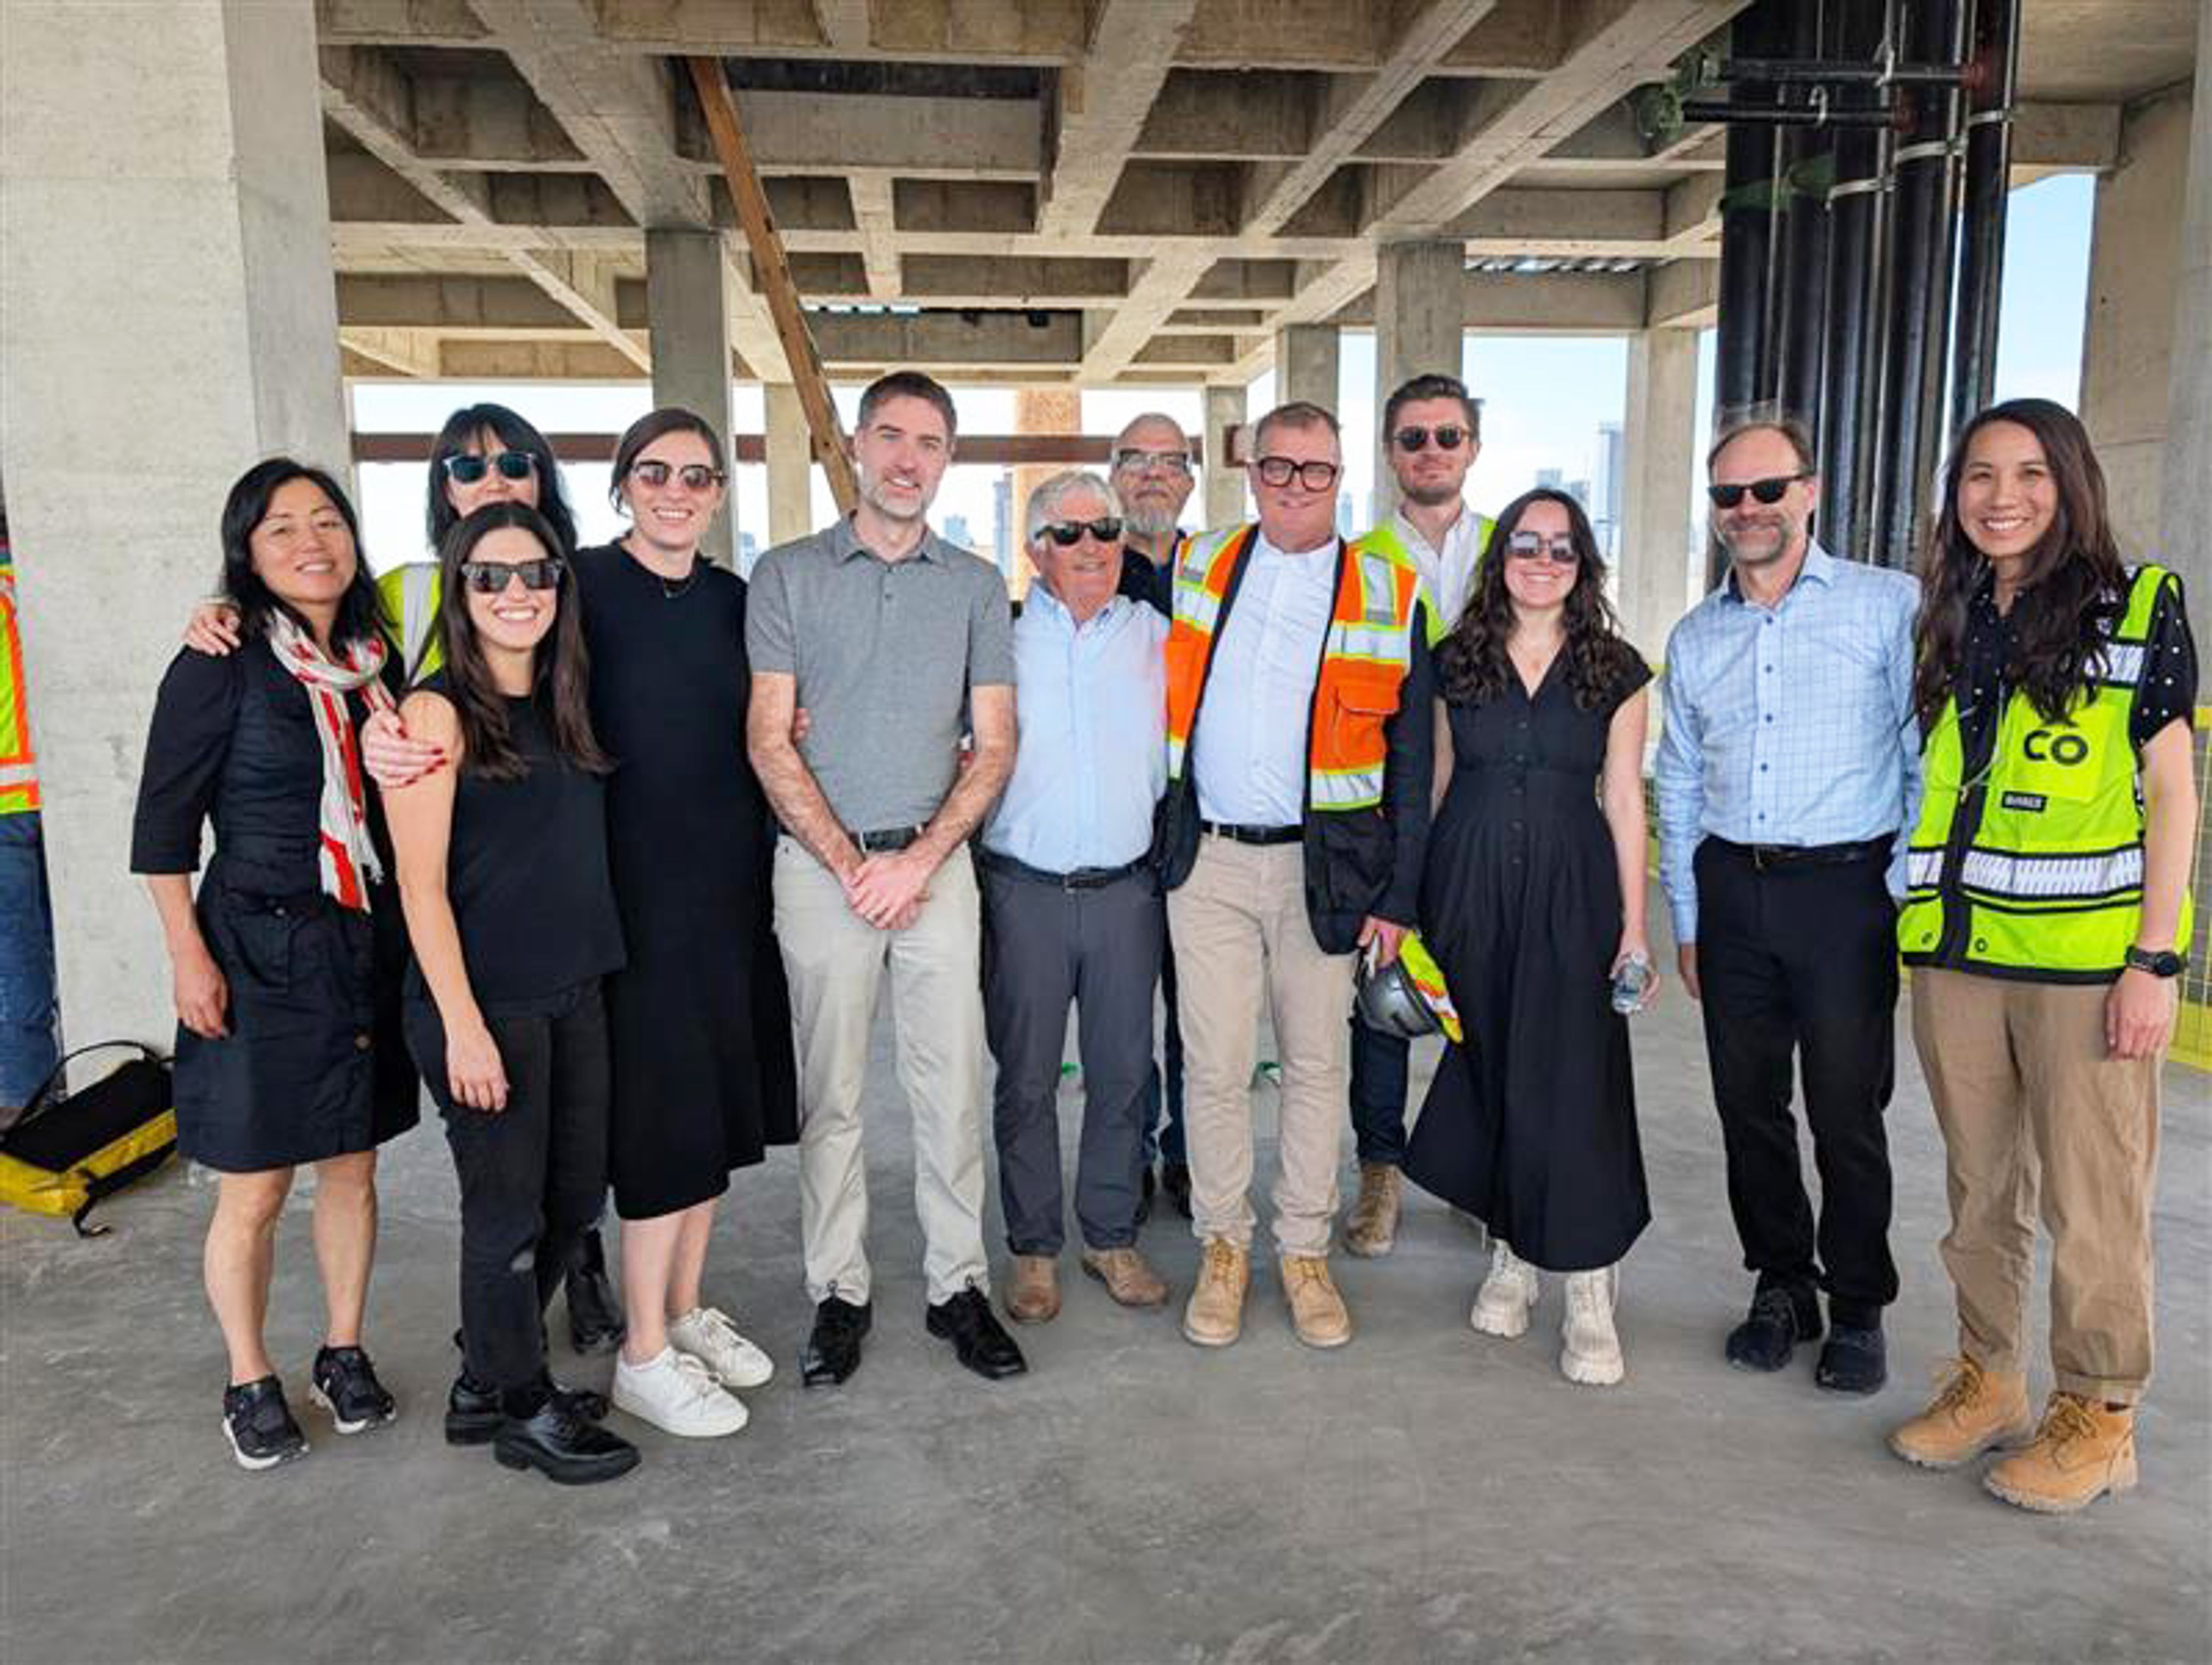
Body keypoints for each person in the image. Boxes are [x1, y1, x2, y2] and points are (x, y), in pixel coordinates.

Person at [375, 408, 798, 1441]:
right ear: (618, 485)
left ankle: (674, 1314)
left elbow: (759, 712)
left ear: (718, 493)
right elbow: (370, 633)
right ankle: (622, 1355)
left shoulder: (724, 607)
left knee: (699, 1136)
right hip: (608, 930)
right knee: (631, 1154)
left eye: (697, 476)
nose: (675, 489)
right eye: (653, 471)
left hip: (712, 910)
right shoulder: (567, 600)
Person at [183, 402, 623, 1356]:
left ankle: (552, 1299)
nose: (492, 482)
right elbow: (306, 618)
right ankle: (499, 1372)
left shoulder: (576, 597)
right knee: (497, 1181)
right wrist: (229, 610)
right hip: (432, 920)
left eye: (513, 462)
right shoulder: (404, 595)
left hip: (547, 927)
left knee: (564, 1180)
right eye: (466, 470)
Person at [1885, 399, 2196, 1513]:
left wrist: (2154, 962)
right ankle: (1991, 1381)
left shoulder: (2139, 609)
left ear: (2070, 486)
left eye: (2027, 474)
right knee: (1980, 1193)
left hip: (2083, 970)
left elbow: (2170, 794)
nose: (2000, 496)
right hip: (1959, 957)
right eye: (1978, 475)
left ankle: (2099, 1416)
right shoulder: (1952, 612)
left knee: (2093, 1197)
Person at [131, 460, 419, 1470]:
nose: (312, 541)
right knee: (253, 1186)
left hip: (355, 942)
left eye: (328, 520)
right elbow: (164, 828)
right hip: (252, 948)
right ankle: (249, 1376)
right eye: (282, 528)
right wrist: (187, 958)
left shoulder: (379, 659)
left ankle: (342, 1350)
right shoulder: (220, 660)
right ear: (247, 552)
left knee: (354, 1164)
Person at [747, 370, 1027, 1388]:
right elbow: (769, 741)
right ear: (856, 448)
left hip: (936, 867)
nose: (910, 460)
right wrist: (851, 863)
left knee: (951, 1088)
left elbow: (993, 744)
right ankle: (840, 1292)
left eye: (932, 443)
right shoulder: (785, 575)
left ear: (949, 460)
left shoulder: (972, 585)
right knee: (834, 1096)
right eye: (891, 437)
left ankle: (958, 1286)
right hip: (823, 870)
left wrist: (915, 860)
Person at [1154, 400, 1434, 1351]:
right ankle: (1224, 1248)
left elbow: (1409, 762)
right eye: (1278, 467)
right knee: (1217, 1068)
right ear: (1250, 468)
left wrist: (1400, 898)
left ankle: (1303, 1251)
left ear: (1341, 477)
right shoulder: (1201, 566)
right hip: (1211, 864)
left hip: (1328, 875)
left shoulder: (1389, 593)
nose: (1295, 486)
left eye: (1315, 470)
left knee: (1317, 1067)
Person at [1655, 414, 1919, 1395]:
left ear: (1809, 491)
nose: (1748, 511)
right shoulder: (1695, 635)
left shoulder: (1887, 607)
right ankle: (1781, 1284)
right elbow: (1676, 784)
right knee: (1747, 1108)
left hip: (1847, 891)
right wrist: (1686, 917)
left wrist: (1892, 896)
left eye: (1768, 490)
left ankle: (1857, 1305)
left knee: (1847, 1111)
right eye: (1729, 495)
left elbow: (1921, 757)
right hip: (1733, 892)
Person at [384, 502, 636, 1485]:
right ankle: (520, 1407)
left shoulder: (568, 697)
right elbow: (419, 885)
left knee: (574, 1195)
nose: (516, 592)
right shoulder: (436, 711)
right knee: (505, 1217)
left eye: (535, 573)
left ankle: (489, 1375)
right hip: (486, 1006)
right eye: (490, 576)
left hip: (574, 989)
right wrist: (463, 1029)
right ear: (459, 590)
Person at [1402, 489, 1654, 1386]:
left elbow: (1624, 800)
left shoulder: (1614, 669)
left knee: (1576, 1082)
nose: (1540, 560)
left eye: (1560, 547)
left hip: (1572, 891)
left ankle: (1588, 1281)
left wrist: (1633, 928)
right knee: (1490, 1073)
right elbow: (1430, 788)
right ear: (1498, 556)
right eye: (1523, 544)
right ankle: (1510, 1251)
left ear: (1583, 564)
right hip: (1466, 890)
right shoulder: (1452, 662)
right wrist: (1406, 909)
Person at [980, 471, 1171, 1324]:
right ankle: (1032, 1250)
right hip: (1024, 895)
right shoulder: (1000, 645)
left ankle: (1108, 1235)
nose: (1090, 546)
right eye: (1068, 534)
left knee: (1124, 1074)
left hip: (1127, 894)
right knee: (1024, 1080)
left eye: (1104, 530)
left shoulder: (1160, 638)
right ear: (1035, 552)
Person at [1341, 373, 1497, 1258]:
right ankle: (1380, 1174)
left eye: (1446, 436)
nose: (1430, 451)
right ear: (1390, 451)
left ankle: (1474, 1174)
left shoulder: (1517, 548)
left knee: (1483, 1000)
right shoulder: (1358, 560)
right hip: (1382, 813)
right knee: (1379, 1003)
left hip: (1488, 814)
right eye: (1412, 438)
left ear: (1471, 447)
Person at [1107, 414, 1197, 1218]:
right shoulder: (1088, 566)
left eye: (1170, 461)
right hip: (1121, 827)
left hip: (1202, 824)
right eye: (1136, 460)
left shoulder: (1220, 573)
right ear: (1115, 477)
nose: (1153, 475)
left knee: (1198, 1009)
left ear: (1191, 480)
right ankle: (1131, 1151)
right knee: (1129, 1010)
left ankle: (1188, 1154)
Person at [0, 509, 60, 1126]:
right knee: (43, 955)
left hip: (6, 806)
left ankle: (24, 1102)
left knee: (16, 963)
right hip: (58, 798)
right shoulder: (35, 584)